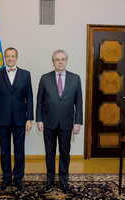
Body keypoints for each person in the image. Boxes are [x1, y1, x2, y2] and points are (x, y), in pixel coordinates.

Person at [36, 49, 83, 194]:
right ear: (53, 62)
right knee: (49, 153)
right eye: (57, 59)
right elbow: (39, 101)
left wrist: (77, 122)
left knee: (64, 152)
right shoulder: (45, 78)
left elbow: (79, 103)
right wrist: (39, 120)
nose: (60, 62)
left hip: (67, 123)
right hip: (48, 122)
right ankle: (49, 180)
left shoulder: (75, 78)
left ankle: (63, 181)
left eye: (63, 59)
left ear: (66, 61)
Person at [0, 47, 34, 192]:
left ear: (16, 57)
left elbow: (30, 98)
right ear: (4, 57)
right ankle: (6, 178)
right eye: (7, 56)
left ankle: (18, 178)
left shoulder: (25, 74)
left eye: (12, 56)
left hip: (20, 119)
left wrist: (29, 119)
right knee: (4, 151)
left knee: (19, 150)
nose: (10, 58)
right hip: (2, 120)